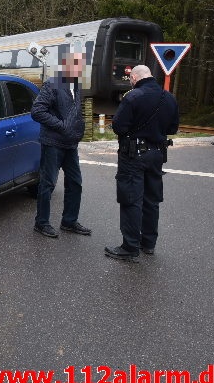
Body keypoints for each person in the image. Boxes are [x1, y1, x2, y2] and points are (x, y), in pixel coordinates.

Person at [105, 65, 179, 262]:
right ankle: (148, 243)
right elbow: (173, 128)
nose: (130, 80)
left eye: (130, 77)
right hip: (157, 154)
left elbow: (119, 126)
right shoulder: (169, 97)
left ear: (135, 77)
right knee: (152, 199)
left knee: (131, 199)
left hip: (133, 155)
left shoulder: (132, 97)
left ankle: (130, 246)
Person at [30, 49, 91, 238]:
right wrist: (62, 126)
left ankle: (69, 221)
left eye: (81, 65)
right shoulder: (53, 84)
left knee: (75, 183)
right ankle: (41, 223)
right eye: (77, 64)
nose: (80, 68)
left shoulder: (76, 86)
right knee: (48, 183)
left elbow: (74, 114)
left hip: (70, 144)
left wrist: (78, 131)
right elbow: (37, 111)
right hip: (53, 143)